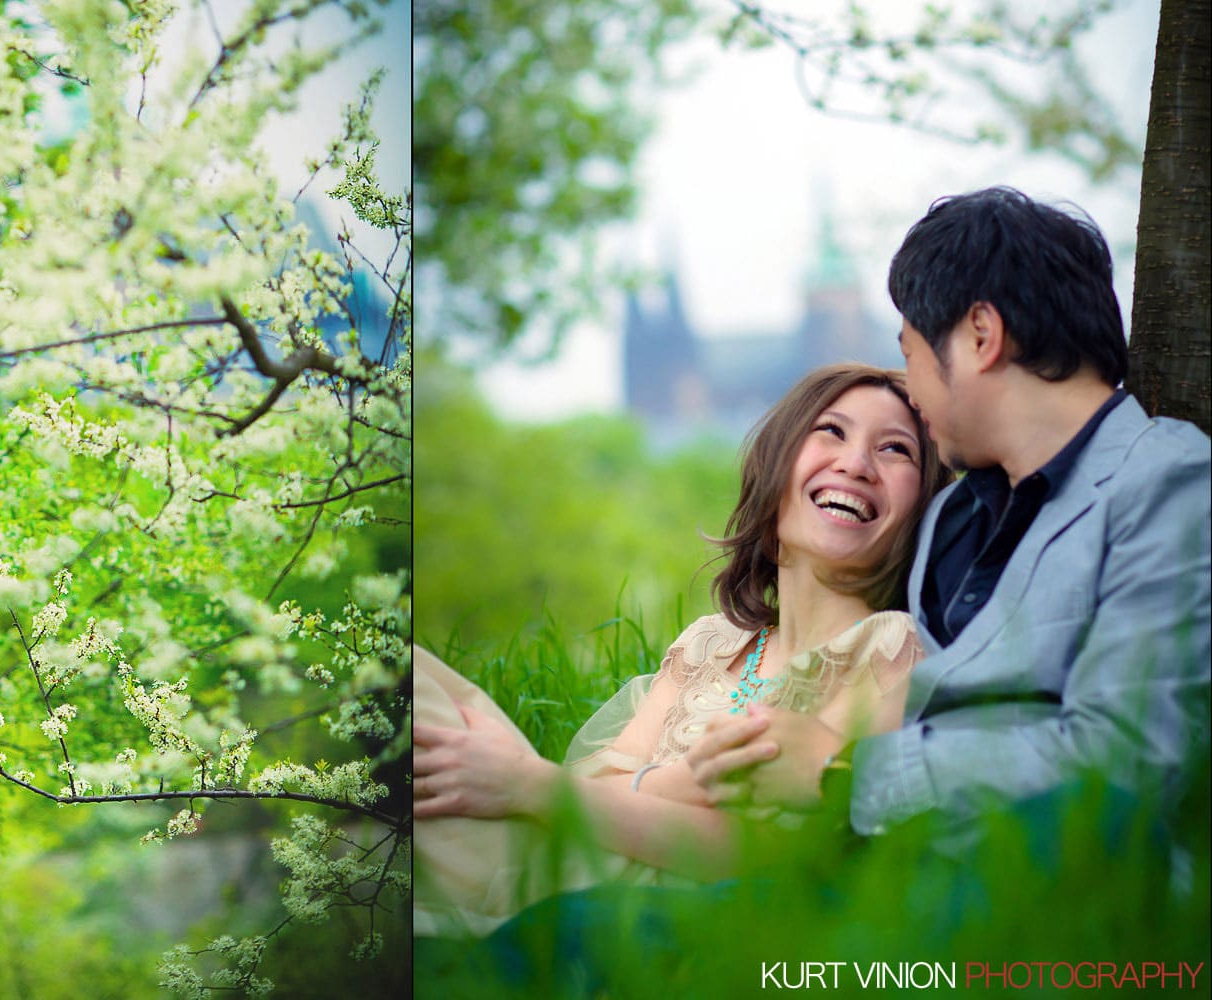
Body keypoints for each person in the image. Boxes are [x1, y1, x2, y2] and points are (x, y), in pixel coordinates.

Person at [688, 187, 1211, 848]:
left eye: (908, 355)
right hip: (878, 867)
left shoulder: (1170, 481)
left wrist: (837, 768)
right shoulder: (953, 519)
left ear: (981, 337)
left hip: (1035, 899)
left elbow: (1132, 759)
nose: (908, 389)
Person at [411, 363, 954, 935]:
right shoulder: (710, 643)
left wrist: (528, 782)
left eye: (896, 449)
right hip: (573, 852)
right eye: (832, 431)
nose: (855, 462)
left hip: (647, 908)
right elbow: (590, 790)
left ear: (925, 508)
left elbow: (764, 850)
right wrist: (537, 778)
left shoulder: (893, 649)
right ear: (775, 471)